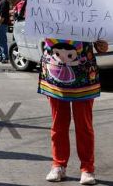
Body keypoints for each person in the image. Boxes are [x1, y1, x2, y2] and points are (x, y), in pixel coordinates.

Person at [40, 38, 108, 185]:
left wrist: (102, 45)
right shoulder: (48, 13)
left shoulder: (89, 14)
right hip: (55, 71)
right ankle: (58, 165)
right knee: (58, 123)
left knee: (84, 125)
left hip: (83, 73)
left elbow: (100, 35)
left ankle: (87, 168)